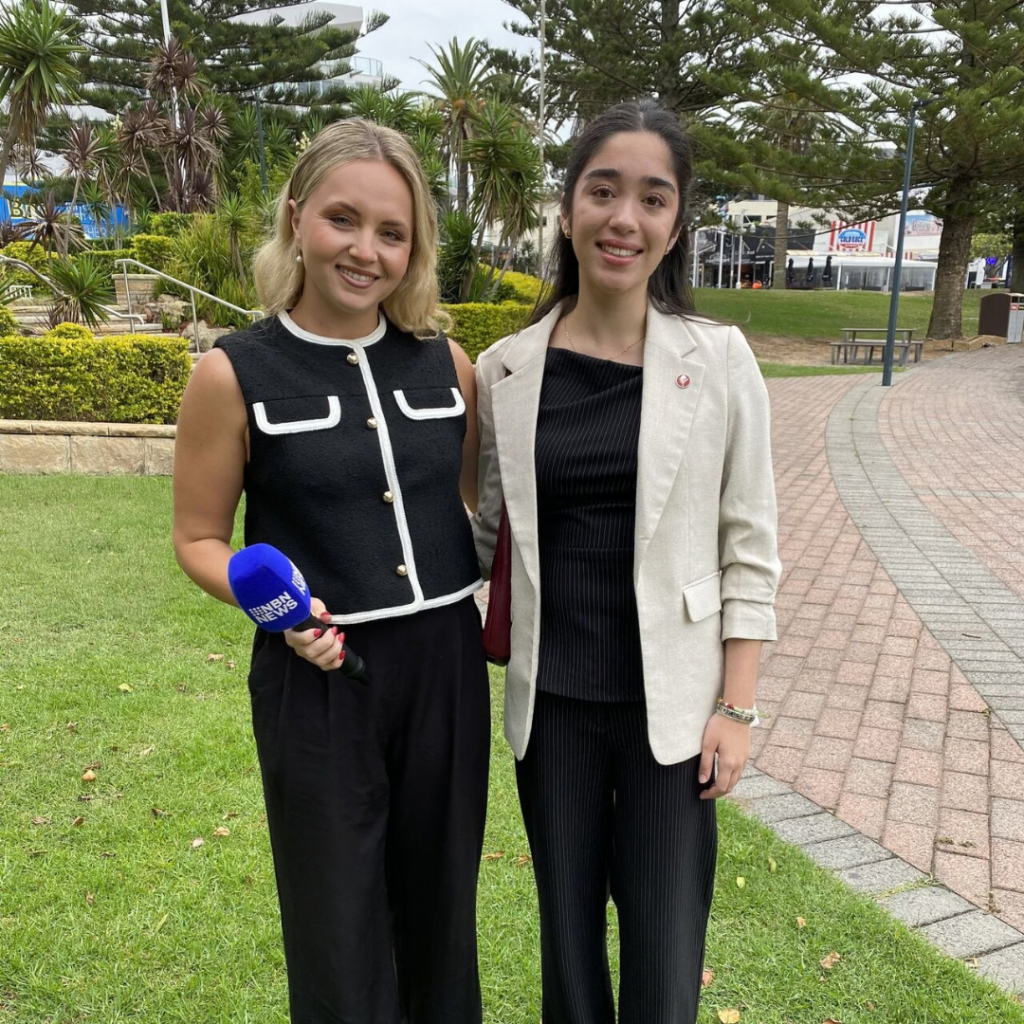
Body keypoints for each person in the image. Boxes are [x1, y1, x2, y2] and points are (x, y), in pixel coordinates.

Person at [172, 118, 490, 1024]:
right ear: (296, 217)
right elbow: (198, 537)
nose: (365, 250)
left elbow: (469, 505)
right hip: (316, 676)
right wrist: (279, 613)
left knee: (441, 910)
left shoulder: (448, 366)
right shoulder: (233, 372)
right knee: (335, 921)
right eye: (342, 219)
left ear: (415, 248)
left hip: (445, 667)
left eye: (392, 232)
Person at [473, 100, 780, 1024]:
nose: (624, 218)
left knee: (664, 951)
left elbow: (749, 547)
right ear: (569, 207)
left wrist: (736, 707)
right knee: (567, 953)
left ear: (675, 224)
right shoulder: (504, 371)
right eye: (603, 191)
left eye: (653, 198)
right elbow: (484, 537)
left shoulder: (720, 361)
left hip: (673, 712)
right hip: (551, 707)